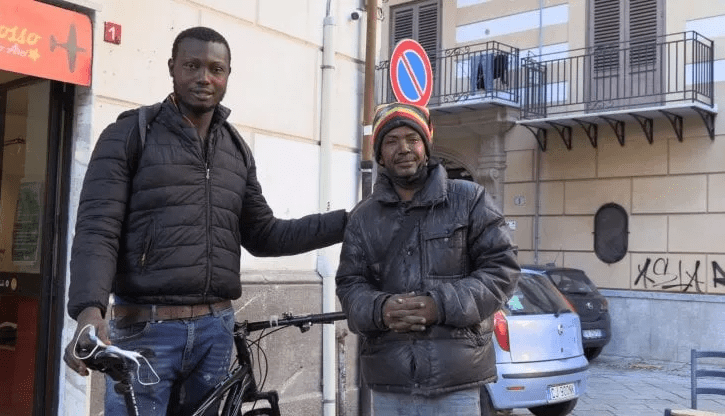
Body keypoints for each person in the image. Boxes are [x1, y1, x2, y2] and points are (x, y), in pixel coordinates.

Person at [63, 26, 347, 415]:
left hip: (216, 333)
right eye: (192, 66)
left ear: (228, 75)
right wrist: (89, 311)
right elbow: (98, 231)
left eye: (216, 69)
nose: (204, 78)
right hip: (146, 333)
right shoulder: (129, 134)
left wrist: (346, 223)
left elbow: (264, 235)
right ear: (172, 68)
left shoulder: (235, 148)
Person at [335, 102, 520, 415]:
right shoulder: (363, 217)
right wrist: (381, 309)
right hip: (389, 381)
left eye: (413, 139)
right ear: (380, 155)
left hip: (456, 381)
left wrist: (439, 305)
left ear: (426, 147)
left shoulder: (470, 199)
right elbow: (349, 285)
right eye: (391, 141)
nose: (404, 148)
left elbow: (502, 271)